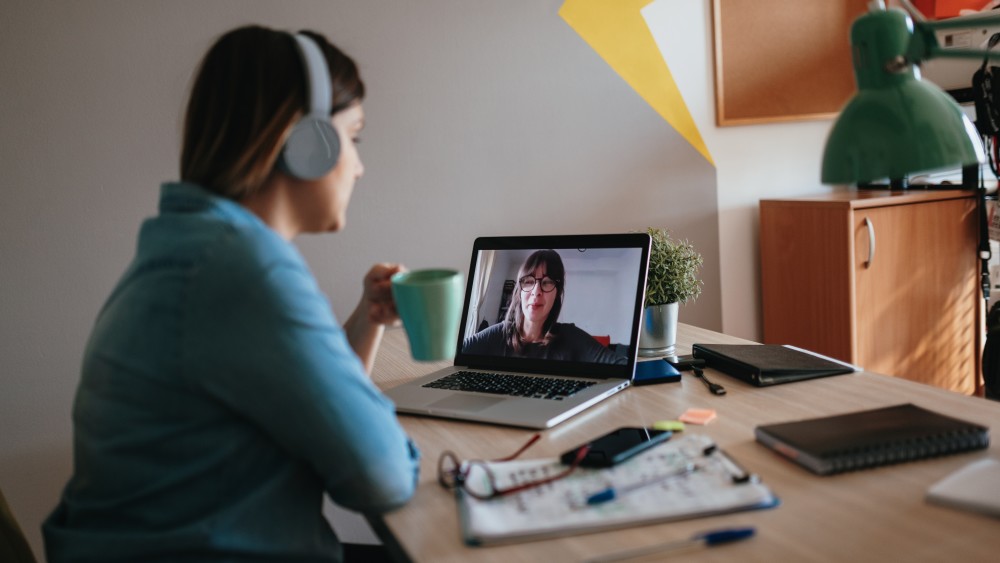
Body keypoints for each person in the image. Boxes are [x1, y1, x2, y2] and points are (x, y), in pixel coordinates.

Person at [42, 25, 418, 563]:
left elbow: (321, 410)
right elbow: (381, 478)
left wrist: (367, 322)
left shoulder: (193, 248)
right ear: (309, 142)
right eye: (353, 137)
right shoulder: (245, 270)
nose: (359, 165)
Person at [462, 249, 626, 364]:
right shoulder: (498, 334)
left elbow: (620, 364)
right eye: (529, 281)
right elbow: (453, 354)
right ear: (519, 291)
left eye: (547, 282)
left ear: (557, 293)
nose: (536, 291)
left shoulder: (571, 338)